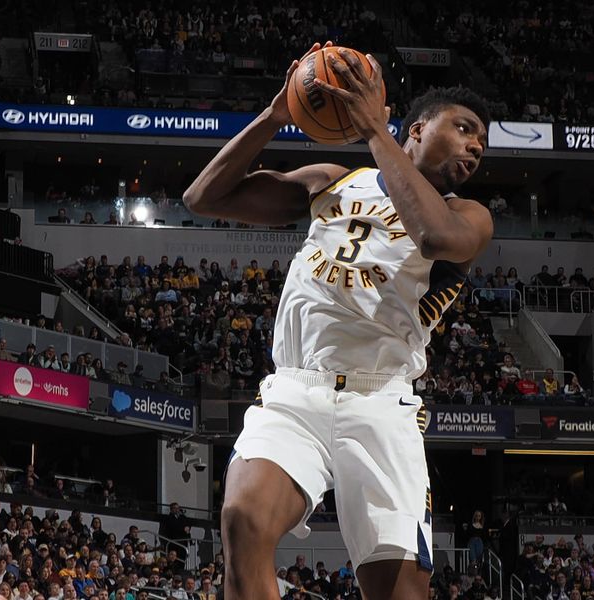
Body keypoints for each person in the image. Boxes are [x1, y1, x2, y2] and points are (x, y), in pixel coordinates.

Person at [183, 41, 492, 600]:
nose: (475, 147)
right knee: (242, 520)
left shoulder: (468, 216)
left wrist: (375, 132)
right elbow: (203, 196)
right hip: (296, 391)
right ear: (417, 129)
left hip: (381, 406)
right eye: (466, 128)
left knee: (398, 593)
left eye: (482, 143)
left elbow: (433, 237)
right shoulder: (331, 179)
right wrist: (276, 114)